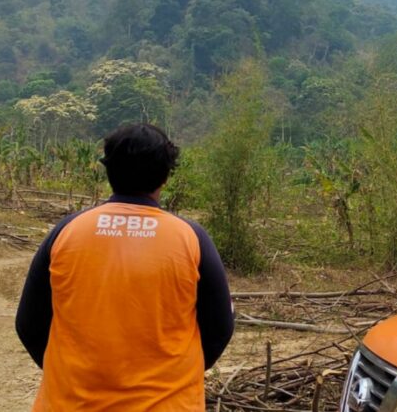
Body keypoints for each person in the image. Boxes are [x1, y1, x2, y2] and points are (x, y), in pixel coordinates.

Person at [16, 124, 235, 411]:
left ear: (109, 172)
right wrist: (178, 377)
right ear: (165, 177)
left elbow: (29, 324)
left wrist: (67, 376)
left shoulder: (67, 231)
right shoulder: (190, 238)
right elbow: (220, 328)